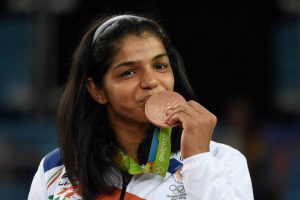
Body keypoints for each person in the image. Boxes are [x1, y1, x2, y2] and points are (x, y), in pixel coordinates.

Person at [28, 14, 254, 200]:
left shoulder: (222, 161)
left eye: (160, 66)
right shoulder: (56, 169)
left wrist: (197, 160)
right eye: (129, 72)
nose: (151, 81)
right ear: (97, 90)